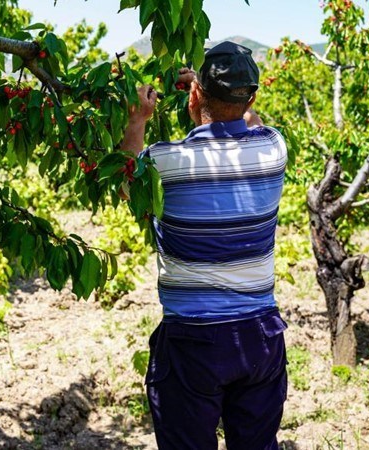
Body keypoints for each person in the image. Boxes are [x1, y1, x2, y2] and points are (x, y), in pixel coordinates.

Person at [122, 41, 289, 450]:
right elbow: (252, 117)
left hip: (192, 343)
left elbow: (125, 179)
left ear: (196, 95)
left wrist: (138, 120)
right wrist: (215, 96)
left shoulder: (166, 161)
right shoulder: (273, 149)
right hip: (260, 336)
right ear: (251, 95)